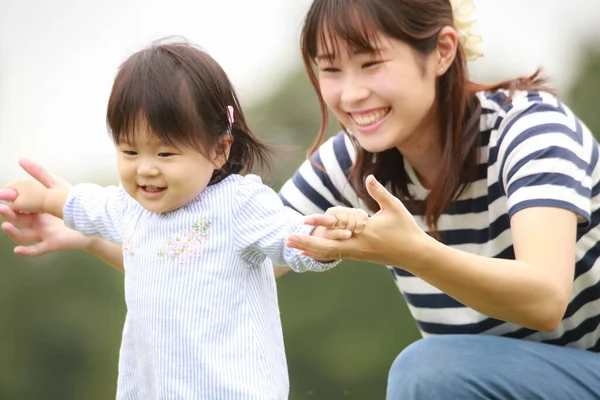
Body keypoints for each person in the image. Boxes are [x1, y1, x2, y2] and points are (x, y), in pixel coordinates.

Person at [2, 0, 600, 398]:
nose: (350, 93)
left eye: (371, 63)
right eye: (330, 69)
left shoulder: (530, 130)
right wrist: (87, 236)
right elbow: (212, 259)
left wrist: (416, 253)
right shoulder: (348, 162)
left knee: (428, 370)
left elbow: (545, 299)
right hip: (496, 384)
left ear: (441, 52)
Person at [2, 40, 368, 400]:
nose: (146, 168)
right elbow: (85, 204)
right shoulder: (129, 207)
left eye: (165, 152)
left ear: (219, 149)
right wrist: (44, 199)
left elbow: (291, 237)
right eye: (129, 150)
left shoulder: (237, 205)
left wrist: (330, 231)